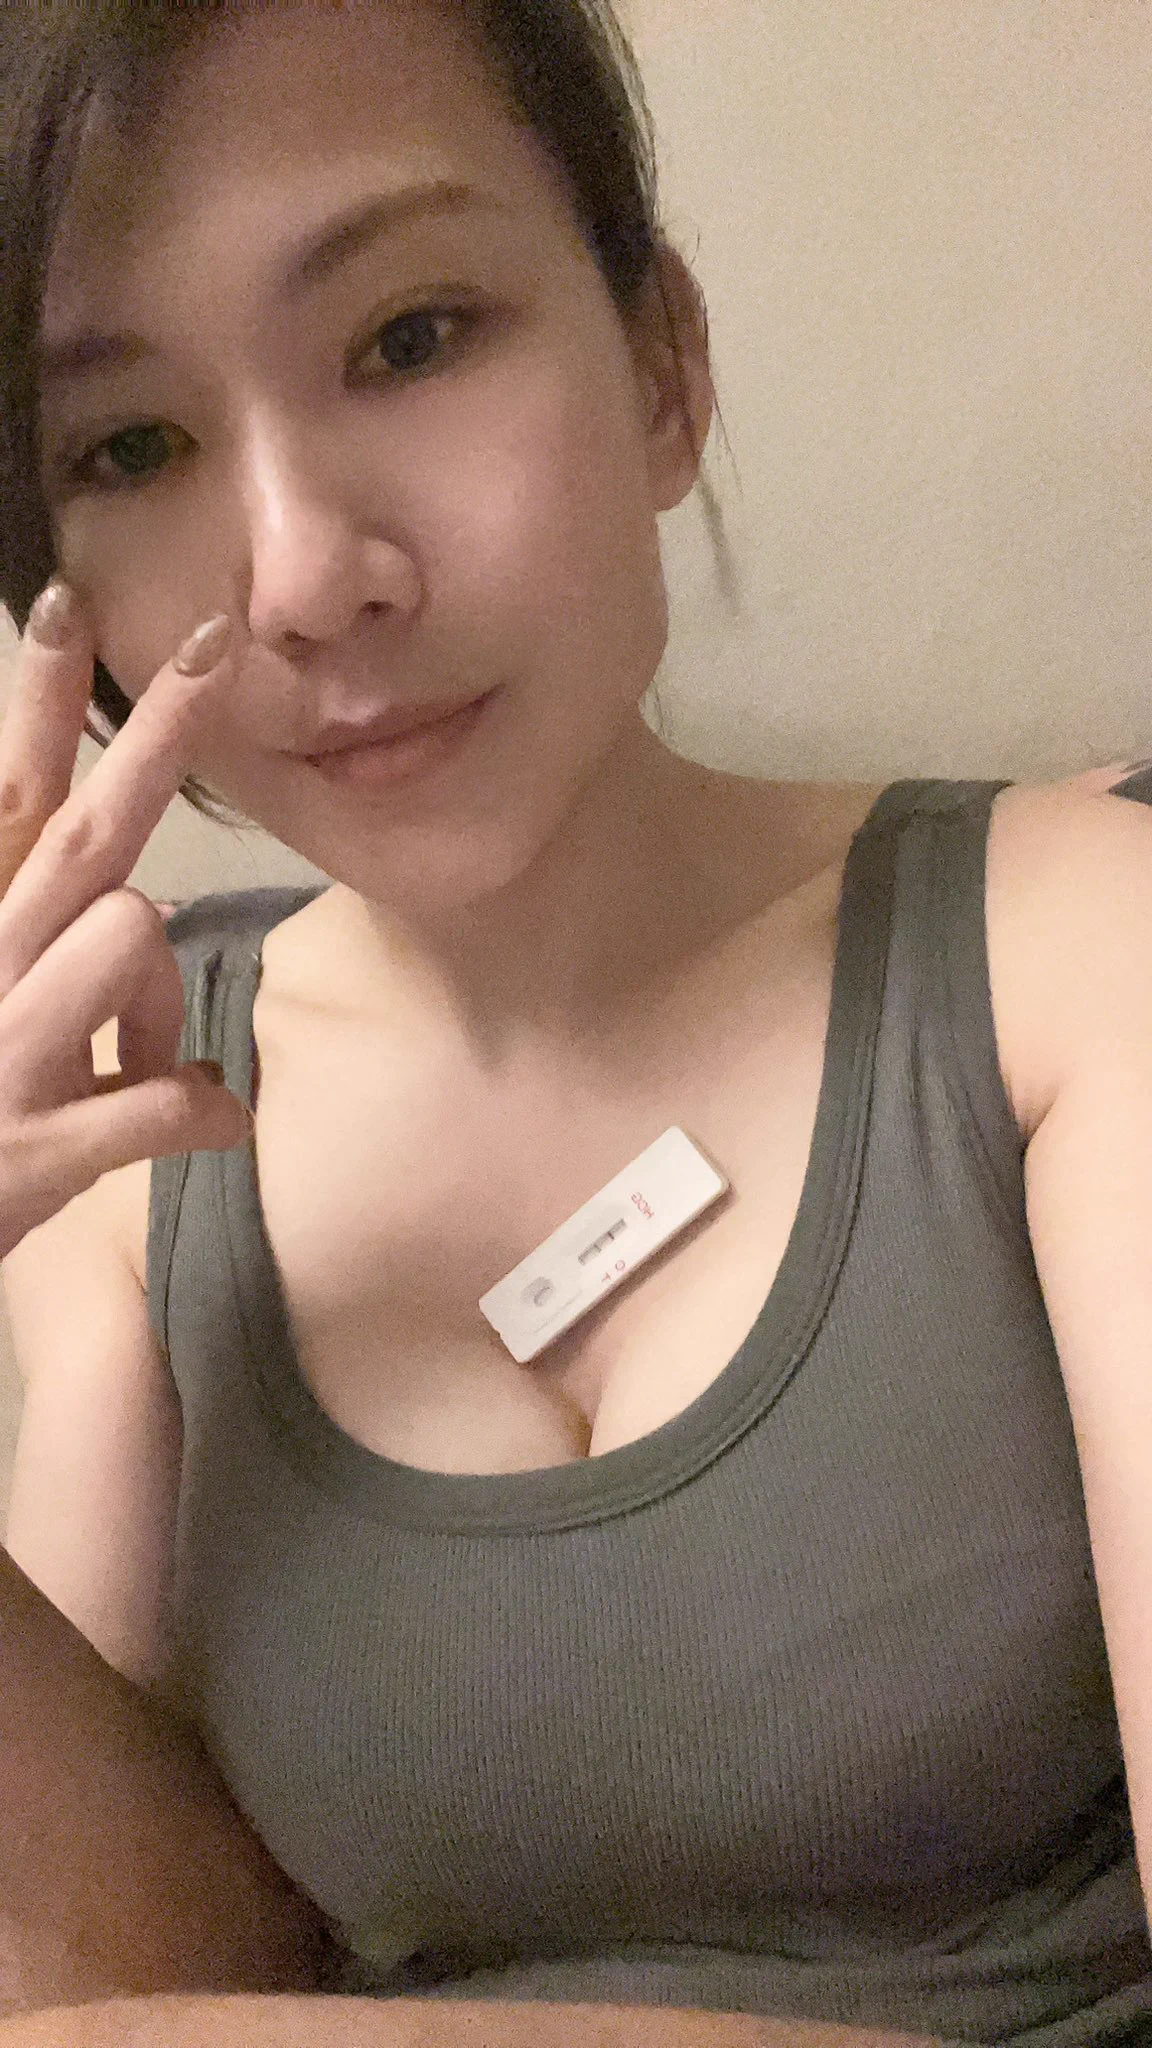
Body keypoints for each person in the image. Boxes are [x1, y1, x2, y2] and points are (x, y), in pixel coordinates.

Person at [0, 4, 1149, 2044]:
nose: (307, 578)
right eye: (132, 448)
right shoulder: (123, 1150)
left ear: (662, 369)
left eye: (412, 336)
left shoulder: (1077, 952)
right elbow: (140, 1978)